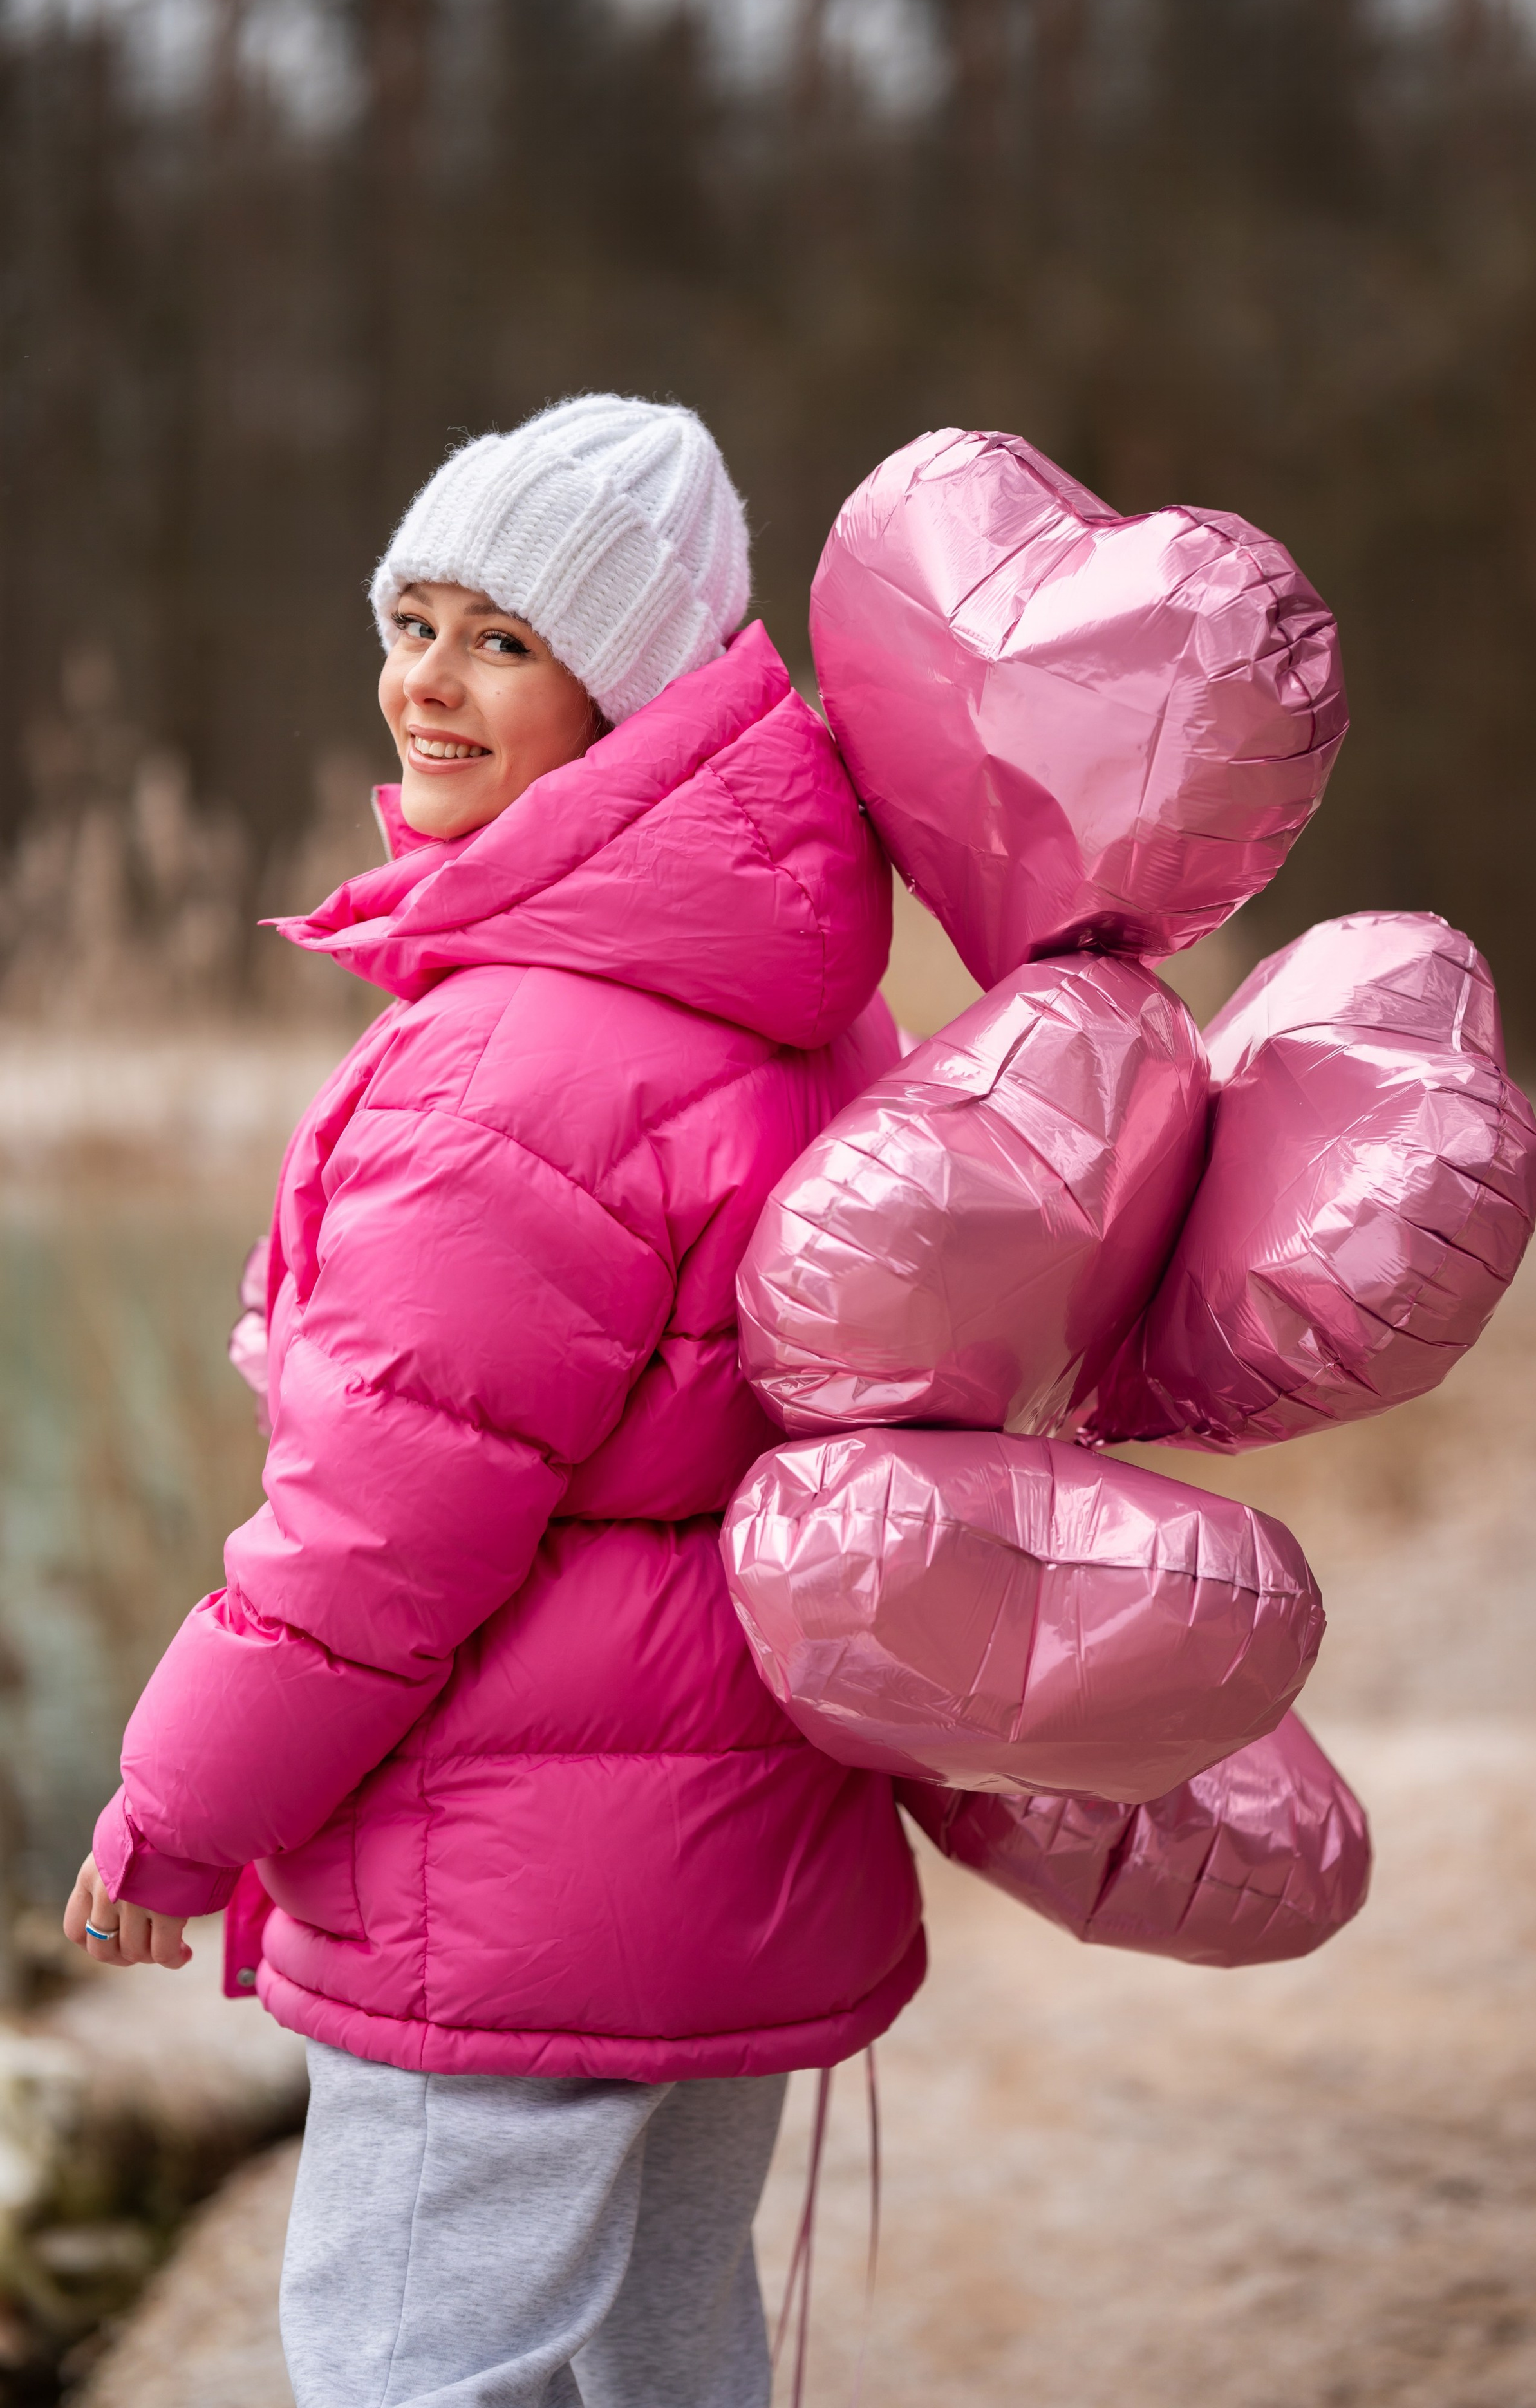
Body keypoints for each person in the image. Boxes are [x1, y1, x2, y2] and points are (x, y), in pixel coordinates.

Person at [62, 393, 925, 2408]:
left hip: (510, 1876)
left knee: (412, 2369)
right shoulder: (801, 1005)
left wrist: (178, 1814)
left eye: (504, 642)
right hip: (726, 1838)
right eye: (414, 618)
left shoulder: (513, 1065)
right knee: (660, 2359)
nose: (423, 686)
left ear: (627, 691)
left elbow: (372, 1547)